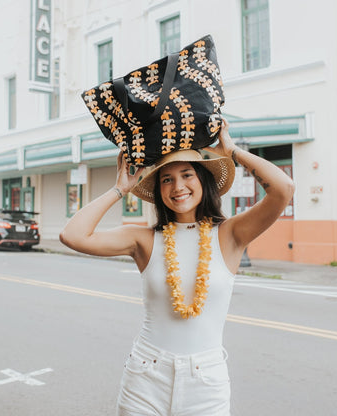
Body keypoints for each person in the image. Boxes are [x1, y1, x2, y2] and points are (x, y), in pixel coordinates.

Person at [59, 119, 295, 415]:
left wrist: (232, 150)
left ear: (203, 181)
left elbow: (283, 189)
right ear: (158, 190)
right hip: (146, 375)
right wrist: (120, 189)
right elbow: (72, 235)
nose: (178, 186)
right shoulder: (143, 239)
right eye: (166, 179)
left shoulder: (230, 234)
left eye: (187, 175)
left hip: (206, 382)